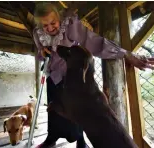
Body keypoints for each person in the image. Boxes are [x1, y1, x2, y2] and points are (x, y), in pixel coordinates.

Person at [33, 2, 154, 148]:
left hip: (73, 78)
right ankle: (51, 139)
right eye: (45, 26)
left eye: (53, 23)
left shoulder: (70, 25)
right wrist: (41, 52)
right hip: (53, 77)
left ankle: (81, 142)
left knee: (78, 114)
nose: (50, 28)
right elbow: (39, 53)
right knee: (53, 112)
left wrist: (125, 53)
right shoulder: (37, 33)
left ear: (59, 17)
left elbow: (95, 42)